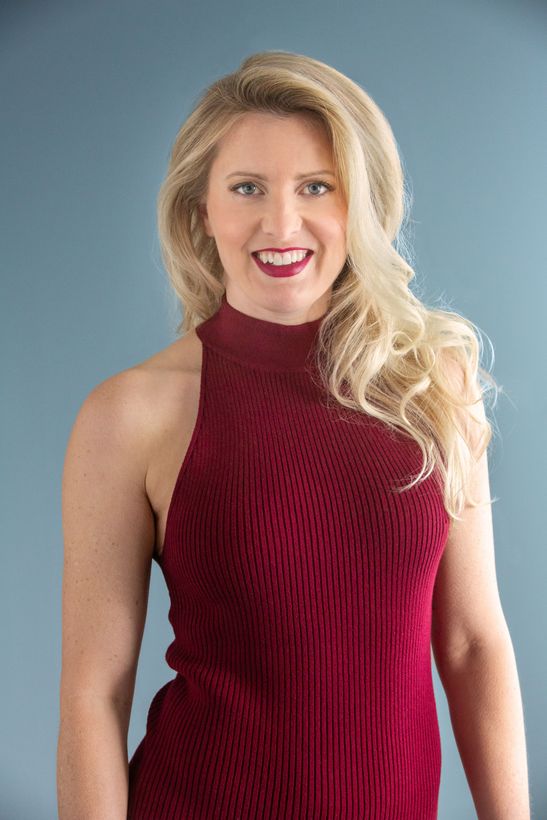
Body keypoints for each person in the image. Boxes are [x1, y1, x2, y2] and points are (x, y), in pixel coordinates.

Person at [57, 51, 530, 819]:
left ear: (361, 203)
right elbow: (92, 690)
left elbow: (472, 645)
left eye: (317, 187)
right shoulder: (130, 414)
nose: (281, 223)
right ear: (200, 209)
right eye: (247, 188)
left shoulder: (433, 385)